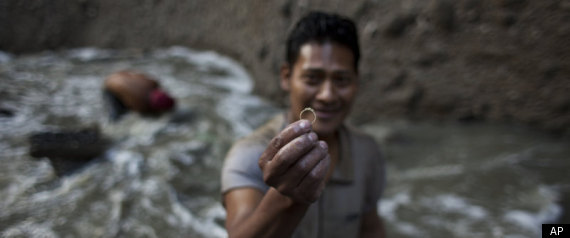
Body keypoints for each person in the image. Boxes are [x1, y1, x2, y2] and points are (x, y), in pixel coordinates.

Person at [221, 11, 386, 238]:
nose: (327, 95)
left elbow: (371, 228)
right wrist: (286, 196)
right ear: (286, 77)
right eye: (312, 78)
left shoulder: (366, 153)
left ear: (356, 81)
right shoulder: (248, 154)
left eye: (341, 80)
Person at [103, 70, 175, 120]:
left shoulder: (154, 83)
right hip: (110, 88)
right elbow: (131, 105)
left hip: (118, 75)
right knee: (118, 116)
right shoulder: (140, 104)